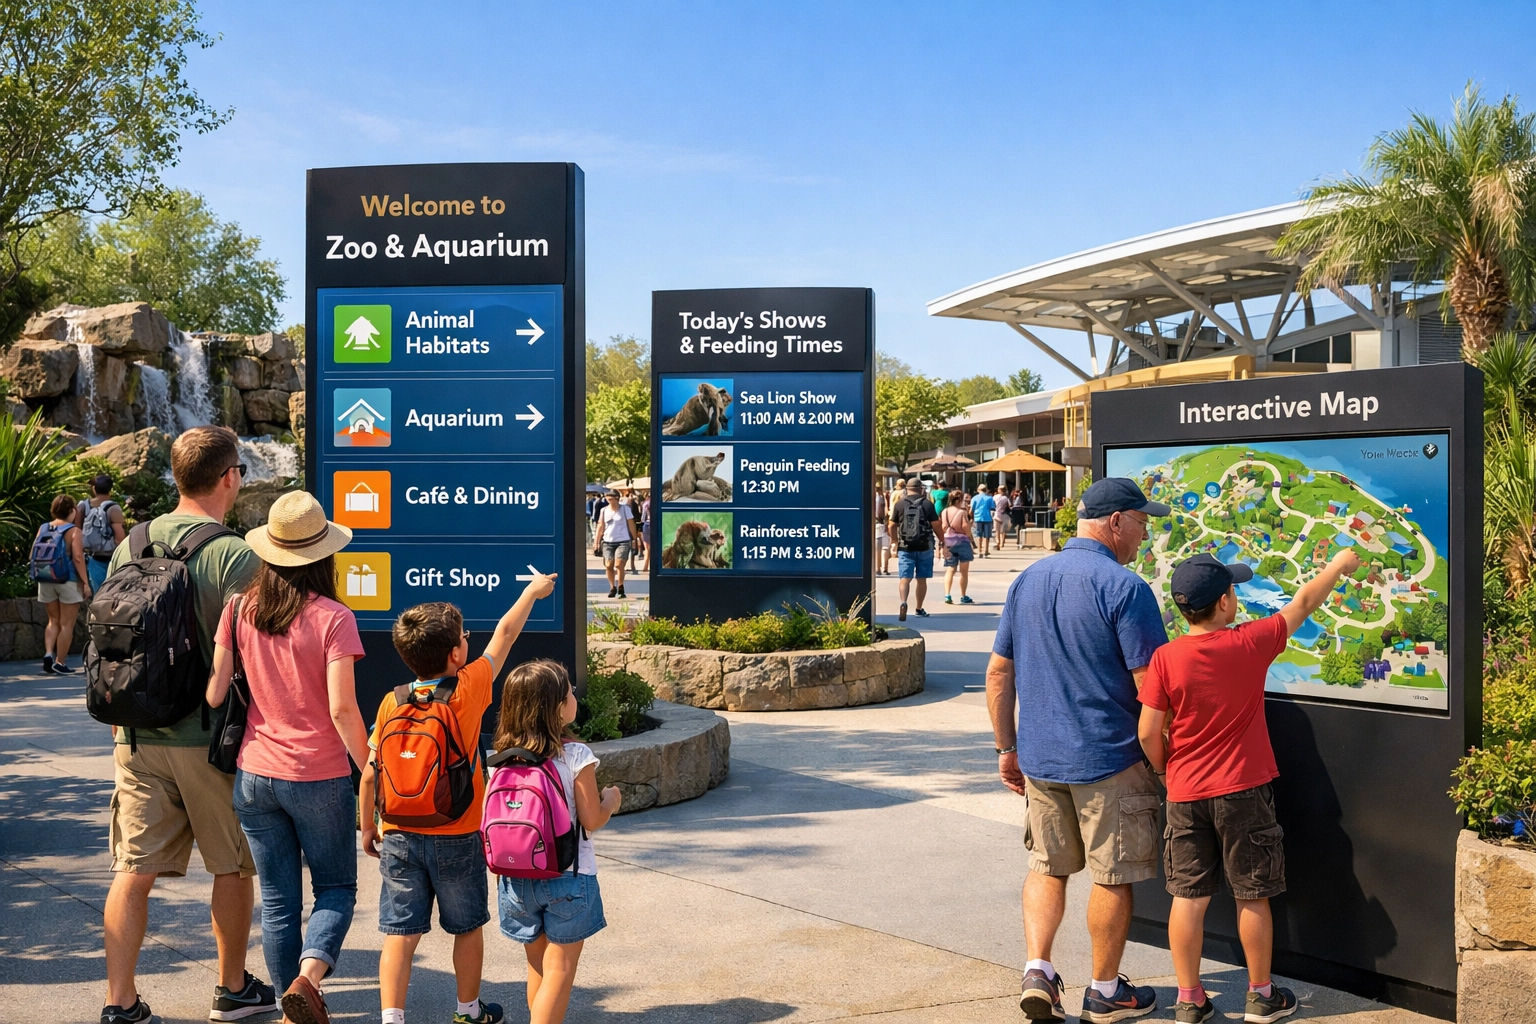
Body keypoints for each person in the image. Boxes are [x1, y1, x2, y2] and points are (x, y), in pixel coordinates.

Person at [1138, 549, 1360, 1024]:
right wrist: (1338, 565)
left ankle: (1189, 999)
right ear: (1224, 602)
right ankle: (1261, 996)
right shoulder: (1250, 643)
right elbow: (1301, 603)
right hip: (1243, 789)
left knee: (1188, 896)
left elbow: (1147, 731)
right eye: (1234, 590)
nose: (1236, 596)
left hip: (1185, 792)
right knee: (1252, 893)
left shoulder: (1165, 658)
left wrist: (1164, 771)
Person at [100, 426, 274, 1024]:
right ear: (230, 477)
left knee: (132, 871)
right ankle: (231, 988)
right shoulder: (233, 554)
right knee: (232, 864)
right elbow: (263, 651)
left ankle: (119, 1001)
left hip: (136, 735)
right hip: (210, 740)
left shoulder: (132, 546)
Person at [985, 477, 1171, 1024]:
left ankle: (1038, 970)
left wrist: (1006, 748)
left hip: (1042, 761)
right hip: (1111, 759)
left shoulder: (1028, 581)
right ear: (1116, 522)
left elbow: (999, 672)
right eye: (1141, 522)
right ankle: (1105, 990)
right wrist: (1164, 758)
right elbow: (1151, 688)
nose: (1144, 534)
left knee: (1047, 866)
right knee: (1111, 875)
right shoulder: (1126, 588)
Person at [359, 571, 558, 1024]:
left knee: (399, 933)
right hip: (458, 831)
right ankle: (468, 1013)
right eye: (465, 636)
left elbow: (371, 774)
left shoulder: (392, 701)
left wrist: (369, 828)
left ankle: (392, 1018)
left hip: (399, 834)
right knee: (466, 928)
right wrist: (531, 590)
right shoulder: (468, 688)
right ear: (455, 653)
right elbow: (505, 635)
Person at [205, 490, 371, 1024]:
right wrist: (371, 768)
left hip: (254, 774)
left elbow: (214, 695)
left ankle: (285, 1009)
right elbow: (343, 709)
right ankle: (309, 978)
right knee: (336, 888)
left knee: (278, 902)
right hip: (318, 776)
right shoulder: (333, 618)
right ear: (323, 555)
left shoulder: (237, 609)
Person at [493, 660, 622, 1024]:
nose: (574, 696)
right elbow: (592, 819)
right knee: (561, 969)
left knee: (539, 968)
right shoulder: (576, 755)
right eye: (569, 693)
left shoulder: (501, 759)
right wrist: (612, 800)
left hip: (516, 879)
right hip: (568, 877)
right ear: (557, 708)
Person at [33, 493, 91, 674]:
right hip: (68, 580)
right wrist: (85, 582)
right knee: (67, 624)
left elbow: (32, 554)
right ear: (72, 510)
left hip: (46, 578)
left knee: (53, 620)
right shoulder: (74, 531)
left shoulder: (44, 528)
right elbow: (78, 558)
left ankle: (49, 653)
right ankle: (60, 662)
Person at [889, 477, 939, 621]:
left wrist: (894, 541)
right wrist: (942, 541)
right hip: (925, 546)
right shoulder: (927, 504)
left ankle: (903, 602)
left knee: (905, 579)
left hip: (905, 546)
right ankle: (918, 607)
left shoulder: (899, 504)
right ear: (920, 488)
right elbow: (936, 525)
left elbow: (891, 525)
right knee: (921, 579)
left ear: (907, 489)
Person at [76, 473, 127, 592]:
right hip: (113, 560)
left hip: (93, 559)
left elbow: (76, 533)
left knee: (98, 596)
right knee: (115, 595)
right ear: (110, 489)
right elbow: (120, 538)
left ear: (94, 488)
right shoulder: (113, 508)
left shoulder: (82, 506)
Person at [594, 491, 636, 599]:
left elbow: (631, 524)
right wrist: (596, 541)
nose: (609, 499)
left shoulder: (625, 509)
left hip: (623, 540)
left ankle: (620, 586)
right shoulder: (604, 510)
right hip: (608, 541)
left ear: (617, 498)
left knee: (619, 564)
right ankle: (612, 587)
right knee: (608, 565)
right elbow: (600, 526)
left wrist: (634, 539)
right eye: (608, 497)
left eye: (611, 497)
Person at [940, 491, 976, 606]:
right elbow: (965, 527)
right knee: (964, 572)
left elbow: (943, 527)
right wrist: (971, 540)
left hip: (948, 541)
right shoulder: (961, 512)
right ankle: (963, 595)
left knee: (950, 569)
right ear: (959, 500)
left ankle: (947, 594)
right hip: (962, 542)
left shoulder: (944, 511)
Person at [971, 484, 996, 558]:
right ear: (986, 490)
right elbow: (993, 507)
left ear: (978, 490)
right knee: (987, 535)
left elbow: (972, 509)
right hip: (987, 517)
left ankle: (980, 551)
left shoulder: (974, 498)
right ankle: (986, 550)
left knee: (979, 535)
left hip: (978, 517)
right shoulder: (990, 498)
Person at [873, 483, 890, 575]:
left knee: (878, 547)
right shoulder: (882, 497)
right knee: (884, 547)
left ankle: (878, 568)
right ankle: (884, 568)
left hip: (876, 523)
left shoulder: (875, 497)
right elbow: (887, 512)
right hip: (881, 523)